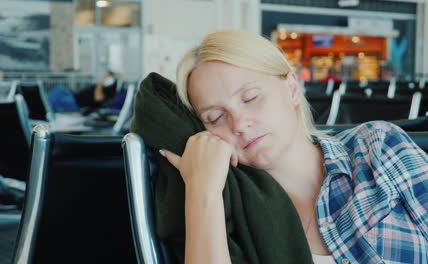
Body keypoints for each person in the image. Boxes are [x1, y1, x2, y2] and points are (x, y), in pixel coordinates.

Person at [156, 30, 427, 263]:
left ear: (293, 88)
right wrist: (202, 189)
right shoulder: (228, 207)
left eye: (251, 98)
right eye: (215, 117)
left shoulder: (376, 146)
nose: (238, 123)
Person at [47, 71, 119, 112]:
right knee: (59, 88)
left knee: (54, 99)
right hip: (75, 96)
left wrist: (101, 82)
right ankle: (46, 103)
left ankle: (45, 106)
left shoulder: (109, 89)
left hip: (77, 103)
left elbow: (98, 98)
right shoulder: (103, 86)